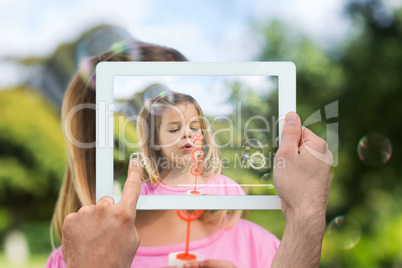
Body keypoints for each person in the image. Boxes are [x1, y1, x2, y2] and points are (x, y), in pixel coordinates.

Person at [46, 41, 332, 268]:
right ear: (153, 143)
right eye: (173, 128)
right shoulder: (74, 260)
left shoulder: (256, 242)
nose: (186, 134)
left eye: (193, 126)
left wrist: (305, 217)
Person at [137, 90, 246, 196]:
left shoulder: (228, 189)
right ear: (155, 141)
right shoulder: (143, 193)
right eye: (174, 129)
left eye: (194, 128)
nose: (187, 133)